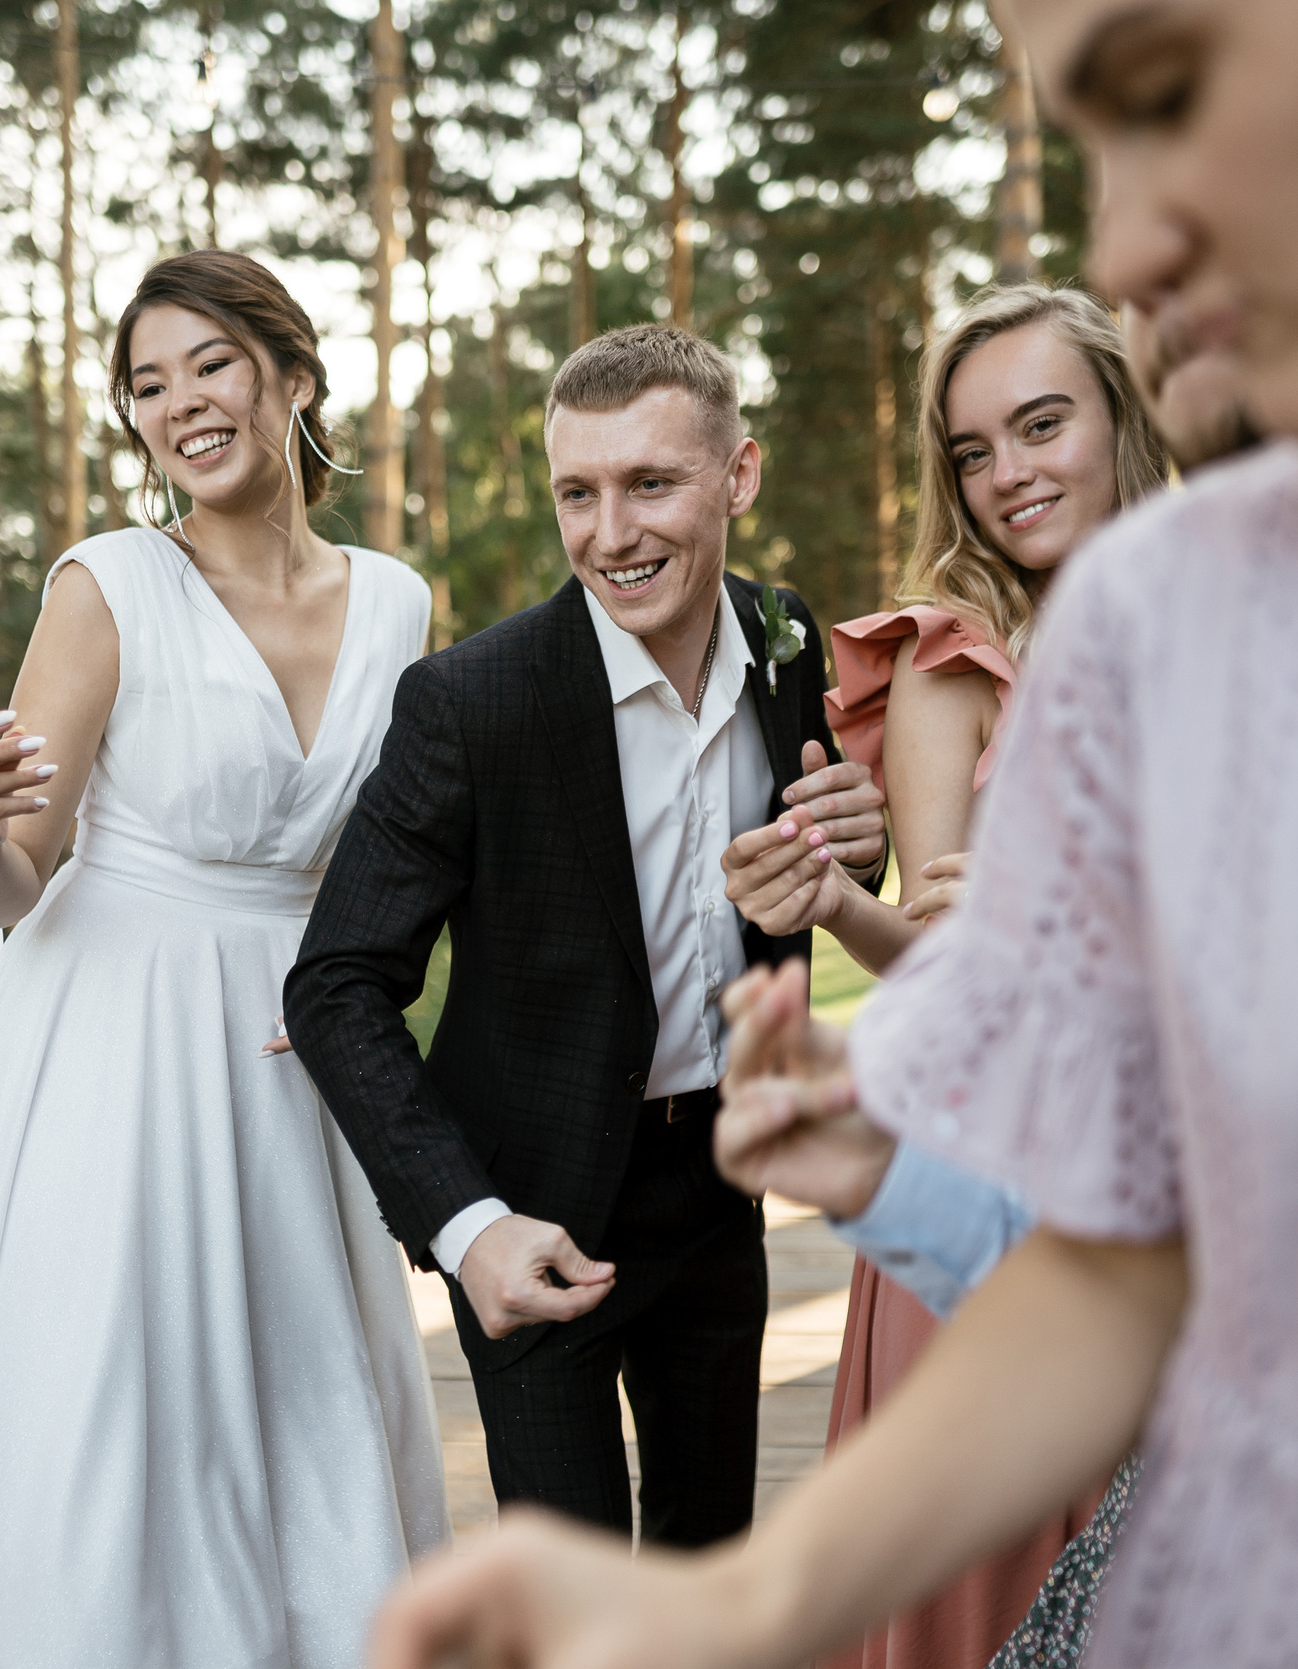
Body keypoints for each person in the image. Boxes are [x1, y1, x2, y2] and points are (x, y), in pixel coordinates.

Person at [363, 0, 1298, 1669]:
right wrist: (736, 1611)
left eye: (1172, 90)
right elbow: (1141, 1256)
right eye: (1086, 140)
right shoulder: (1169, 616)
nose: (1129, 237)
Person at [0, 249, 448, 1669]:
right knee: (119, 1381)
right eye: (147, 382)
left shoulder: (396, 600)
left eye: (211, 364)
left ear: (292, 378)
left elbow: (396, 858)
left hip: (301, 1033)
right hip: (108, 1031)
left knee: (301, 1375)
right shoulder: (107, 582)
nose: (180, 403)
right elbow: (13, 878)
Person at [284, 324, 889, 1551]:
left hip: (720, 1193)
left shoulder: (785, 642)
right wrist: (468, 1228)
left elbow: (813, 864)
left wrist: (856, 841)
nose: (610, 534)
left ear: (739, 476)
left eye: (650, 484)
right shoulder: (471, 702)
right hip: (534, 1216)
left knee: (707, 1566)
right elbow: (336, 983)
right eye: (579, 492)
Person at [716, 284, 1166, 1669]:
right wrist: (845, 906)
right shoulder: (949, 653)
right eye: (973, 449)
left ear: (1122, 417)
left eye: (1042, 425)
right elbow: (946, 948)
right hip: (994, 1153)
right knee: (996, 1586)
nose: (1010, 471)